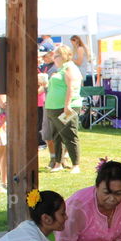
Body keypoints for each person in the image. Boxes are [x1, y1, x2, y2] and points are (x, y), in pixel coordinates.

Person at [45, 45, 83, 173]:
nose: (54, 59)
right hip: (54, 108)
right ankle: (58, 163)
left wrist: (67, 106)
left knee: (69, 135)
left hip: (65, 107)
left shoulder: (70, 68)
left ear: (63, 56)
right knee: (57, 136)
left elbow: (71, 87)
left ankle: (76, 164)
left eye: (55, 56)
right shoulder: (61, 69)